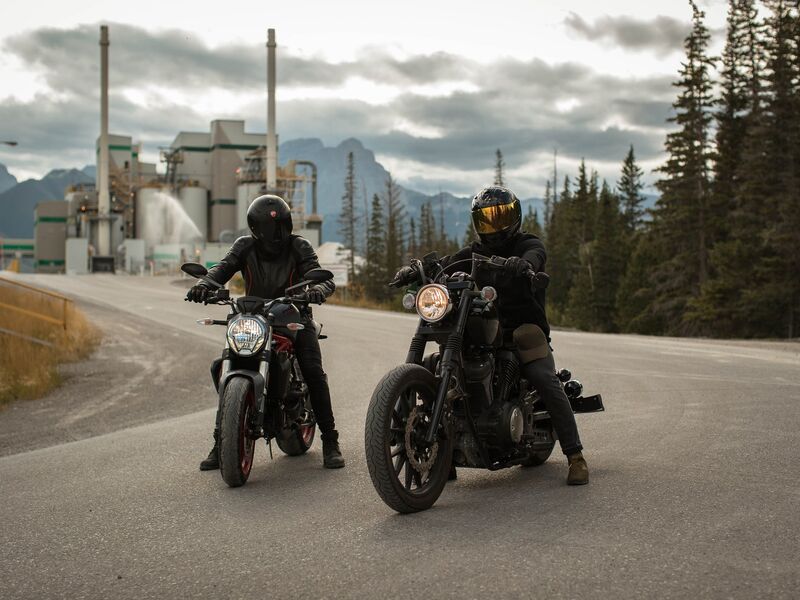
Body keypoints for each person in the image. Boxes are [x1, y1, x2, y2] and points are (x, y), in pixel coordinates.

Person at [391, 185, 588, 485]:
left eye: (500, 217)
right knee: (435, 363)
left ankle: (576, 456)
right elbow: (448, 263)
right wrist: (419, 269)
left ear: (515, 216)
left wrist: (525, 265)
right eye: (486, 219)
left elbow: (537, 254)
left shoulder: (526, 244)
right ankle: (444, 452)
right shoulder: (475, 252)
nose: (494, 225)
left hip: (522, 326)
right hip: (483, 324)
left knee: (542, 376)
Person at [186, 194, 345, 470]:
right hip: (254, 316)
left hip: (294, 315)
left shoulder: (299, 246)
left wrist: (318, 290)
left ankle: (330, 441)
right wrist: (205, 284)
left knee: (313, 373)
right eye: (273, 227)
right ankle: (221, 442)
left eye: (282, 225)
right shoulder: (244, 247)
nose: (278, 233)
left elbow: (317, 272)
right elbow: (221, 269)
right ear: (256, 229)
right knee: (222, 365)